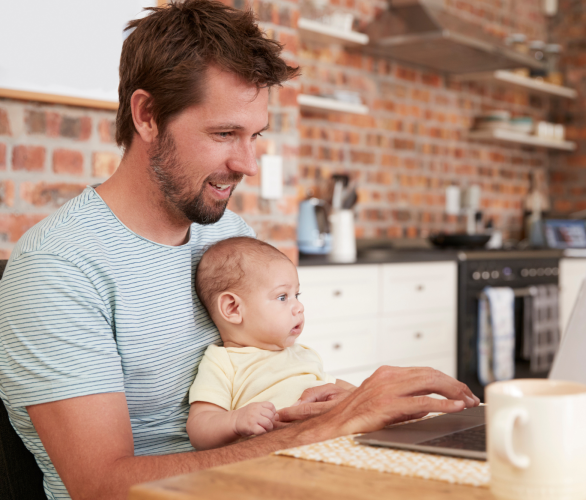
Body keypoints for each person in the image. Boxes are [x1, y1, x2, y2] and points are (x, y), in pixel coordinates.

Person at [0, 2, 479, 499]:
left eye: (255, 135)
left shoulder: (227, 234)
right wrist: (320, 431)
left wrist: (328, 404)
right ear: (147, 115)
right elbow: (101, 487)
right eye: (225, 133)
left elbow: (259, 376)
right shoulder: (59, 269)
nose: (248, 163)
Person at [187, 236, 355, 450]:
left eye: (297, 294)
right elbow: (199, 429)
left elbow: (336, 388)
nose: (299, 307)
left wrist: (362, 394)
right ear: (233, 309)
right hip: (276, 456)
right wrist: (236, 421)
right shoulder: (223, 362)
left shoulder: (302, 353)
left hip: (331, 443)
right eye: (283, 297)